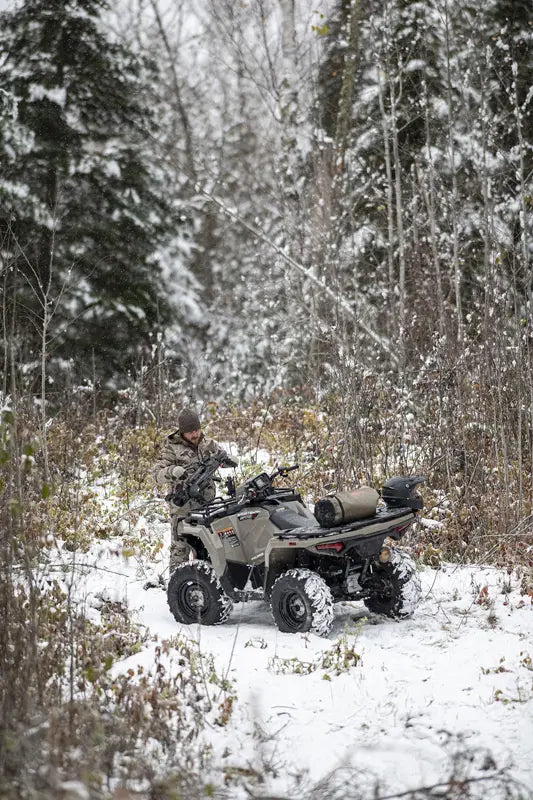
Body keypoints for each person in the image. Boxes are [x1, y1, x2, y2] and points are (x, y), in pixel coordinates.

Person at [153, 408, 236, 573]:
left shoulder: (207, 443)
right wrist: (172, 471)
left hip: (207, 505)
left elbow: (222, 457)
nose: (195, 434)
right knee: (180, 549)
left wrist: (228, 462)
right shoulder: (171, 448)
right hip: (183, 508)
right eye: (191, 432)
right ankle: (177, 582)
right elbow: (156, 475)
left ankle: (207, 580)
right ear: (182, 432)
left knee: (209, 546)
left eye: (197, 430)